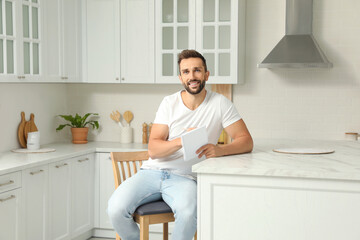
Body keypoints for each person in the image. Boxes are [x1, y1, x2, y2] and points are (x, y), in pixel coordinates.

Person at [107, 49, 253, 240]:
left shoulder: (220, 104)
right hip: (151, 172)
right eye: (186, 72)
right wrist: (181, 140)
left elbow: (246, 141)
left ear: (206, 74)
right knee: (115, 209)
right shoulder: (169, 103)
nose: (192, 76)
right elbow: (153, 149)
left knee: (187, 212)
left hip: (186, 178)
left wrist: (220, 149)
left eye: (197, 70)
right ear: (180, 77)